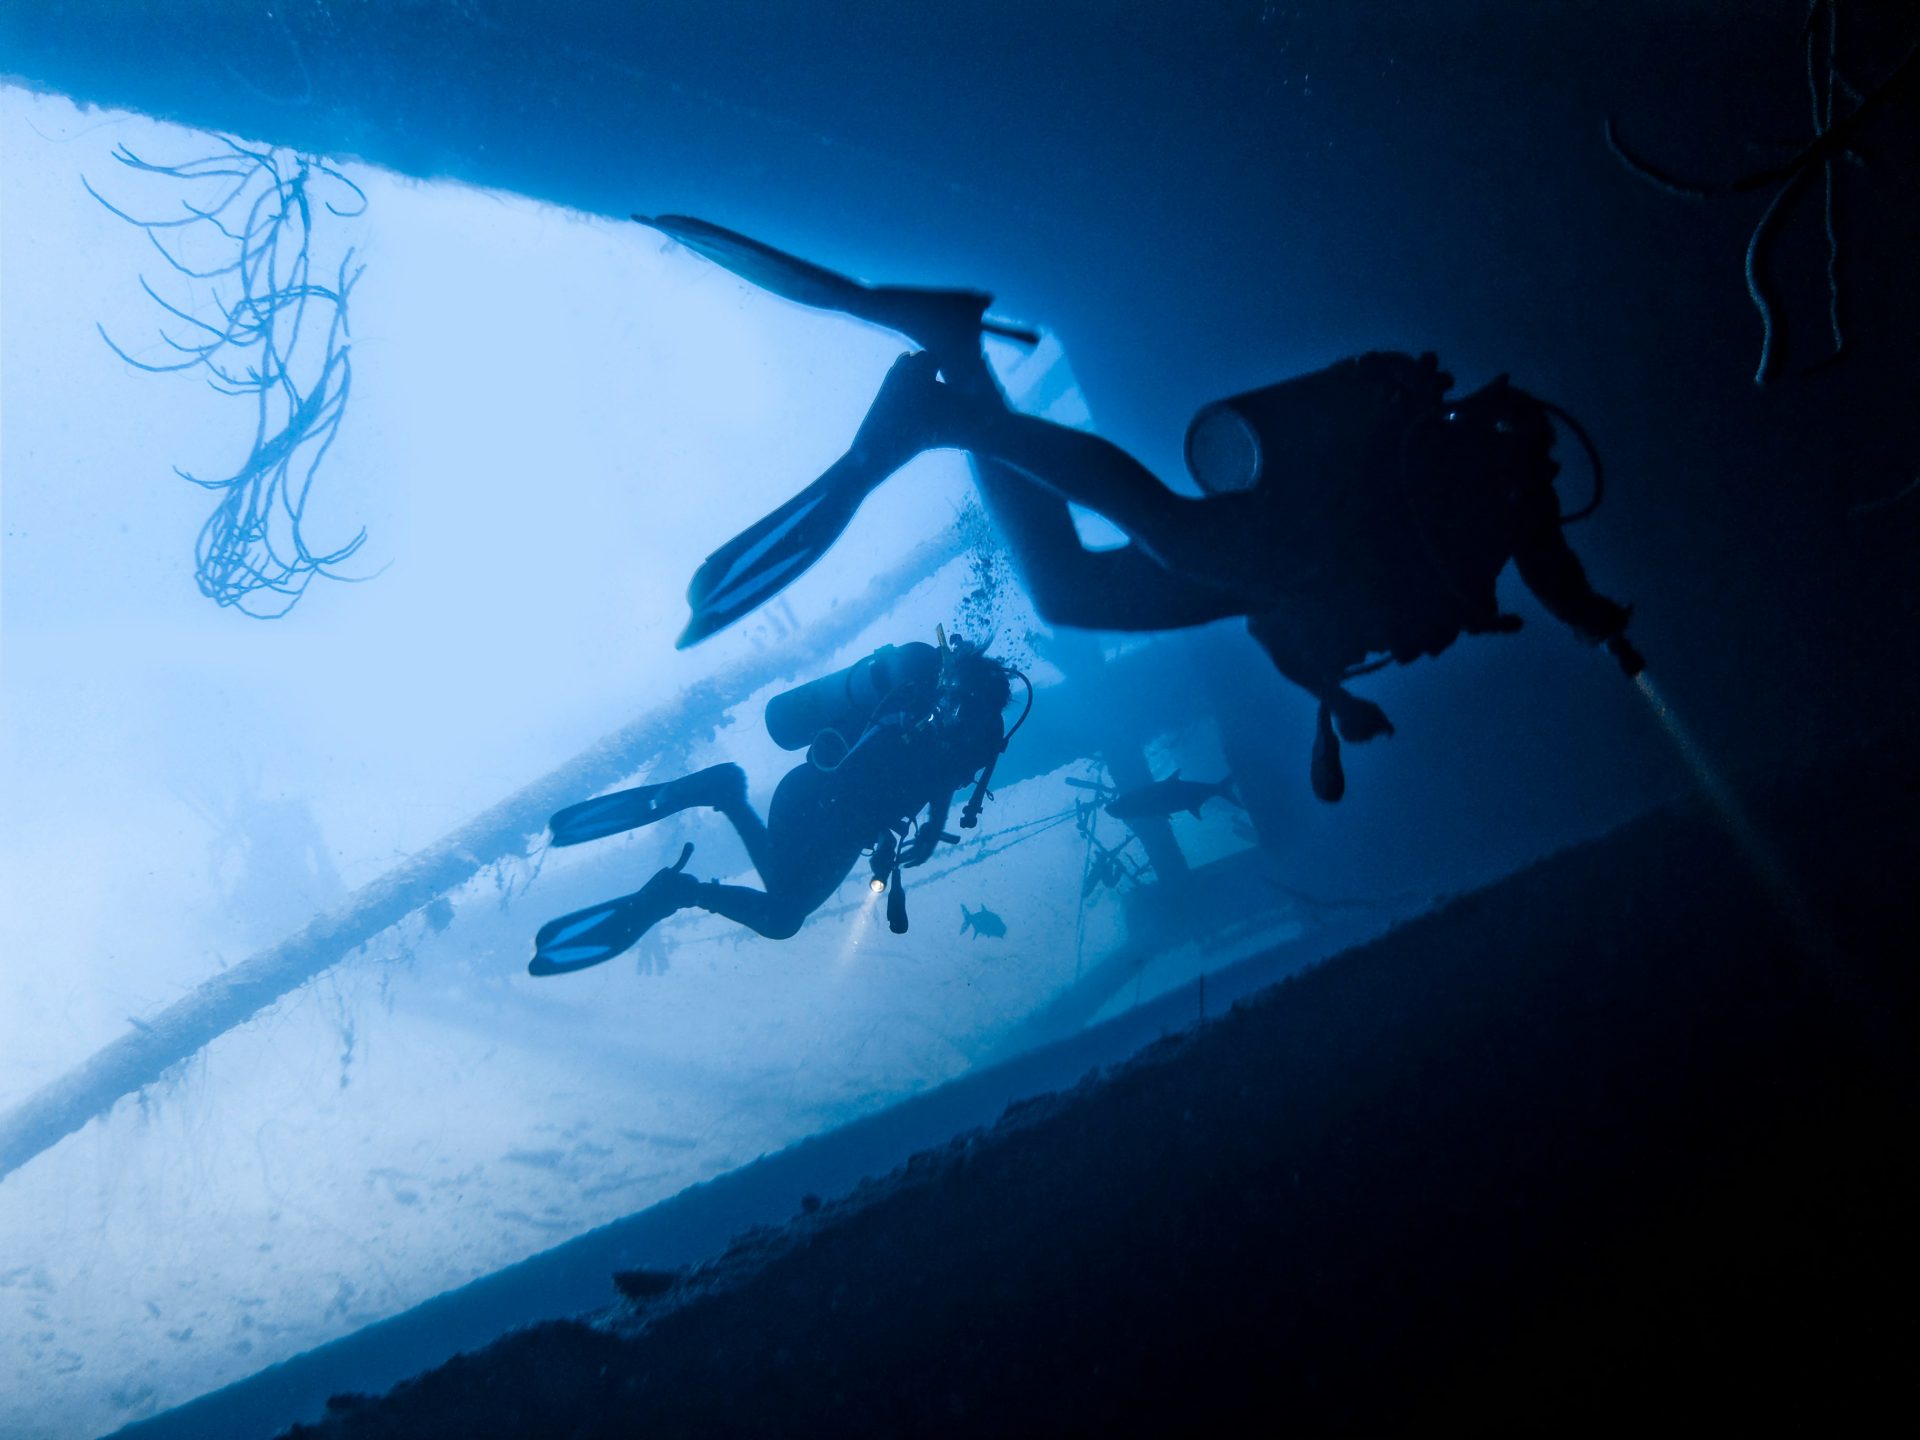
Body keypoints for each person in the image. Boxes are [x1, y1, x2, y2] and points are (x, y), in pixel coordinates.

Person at [643, 216, 1639, 803]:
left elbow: (1292, 630)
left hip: (1281, 571)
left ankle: (956, 352)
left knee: (1069, 592)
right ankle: (949, 419)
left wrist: (1332, 702)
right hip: (1299, 531)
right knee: (1176, 526)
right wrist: (1600, 627)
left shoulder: (1496, 495)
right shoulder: (1509, 486)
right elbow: (1560, 579)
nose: (1549, 458)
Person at [530, 636, 1023, 975]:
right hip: (812, 797)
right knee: (783, 912)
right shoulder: (907, 713)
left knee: (782, 915)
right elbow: (855, 783)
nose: (952, 720)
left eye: (966, 716)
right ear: (945, 690)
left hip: (849, 824)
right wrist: (882, 838)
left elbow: (938, 778)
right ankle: (722, 802)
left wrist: (933, 826)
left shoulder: (972, 741)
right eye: (951, 706)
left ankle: (692, 872)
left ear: (984, 717)